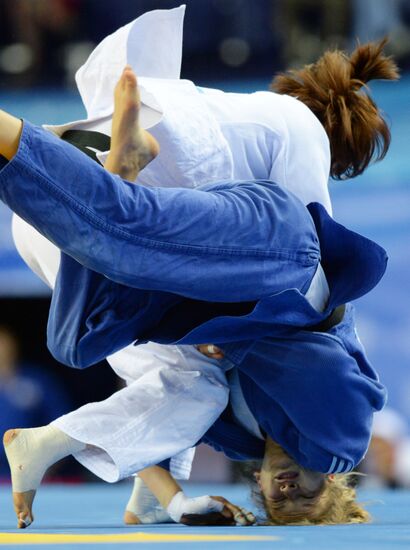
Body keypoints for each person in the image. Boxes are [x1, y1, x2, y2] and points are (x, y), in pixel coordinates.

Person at [4, 5, 398, 527]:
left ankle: (106, 170)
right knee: (126, 235)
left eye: (279, 504)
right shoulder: (338, 438)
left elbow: (155, 399)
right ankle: (91, 170)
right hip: (277, 259)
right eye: (308, 499)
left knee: (80, 341)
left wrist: (167, 502)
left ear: (255, 486)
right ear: (331, 481)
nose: (289, 495)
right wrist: (230, 340)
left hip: (159, 188)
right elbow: (299, 321)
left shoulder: (235, 428)